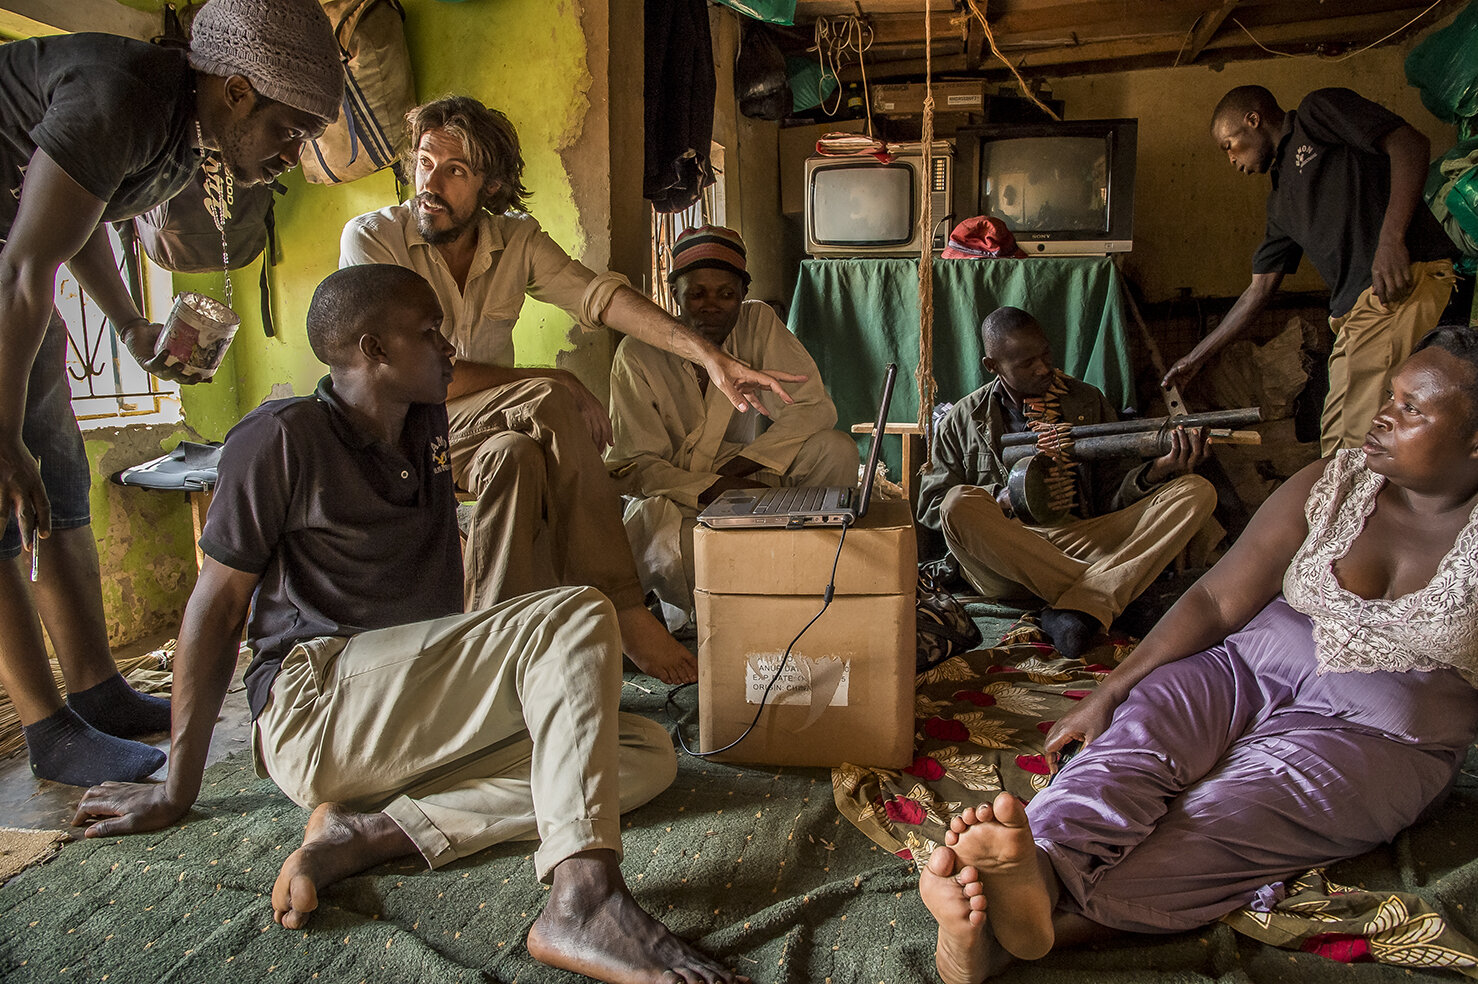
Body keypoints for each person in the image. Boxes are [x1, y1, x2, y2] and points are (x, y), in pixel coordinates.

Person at [73, 266, 747, 984]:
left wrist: (559, 398)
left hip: (401, 716)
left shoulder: (423, 427)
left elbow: (519, 421)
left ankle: (367, 833)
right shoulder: (280, 438)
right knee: (577, 611)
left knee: (640, 753)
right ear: (373, 351)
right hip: (319, 707)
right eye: (428, 333)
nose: (449, 346)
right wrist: (179, 783)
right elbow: (214, 611)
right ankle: (583, 899)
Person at [920, 326, 1478, 984]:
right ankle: (1037, 863)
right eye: (1389, 395)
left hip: (1374, 733)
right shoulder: (1332, 482)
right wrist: (1112, 690)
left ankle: (1006, 935)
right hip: (1247, 667)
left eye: (1412, 407)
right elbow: (1215, 604)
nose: (1383, 414)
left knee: (1227, 812)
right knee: (1142, 732)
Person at [340, 96, 805, 685]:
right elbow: (413, 375)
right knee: (553, 399)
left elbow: (602, 298)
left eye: (455, 170)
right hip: (396, 433)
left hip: (477, 435)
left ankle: (489, 654)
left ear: (490, 185)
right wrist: (547, 379)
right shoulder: (373, 240)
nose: (431, 182)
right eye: (425, 161)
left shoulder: (515, 241)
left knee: (517, 456)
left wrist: (710, 356)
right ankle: (625, 607)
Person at [0, 0, 344, 786]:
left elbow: (72, 214)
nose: (292, 154)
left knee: (54, 481)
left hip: (10, 269)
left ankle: (96, 691)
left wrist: (128, 328)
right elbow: (25, 269)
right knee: (5, 487)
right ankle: (48, 729)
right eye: (290, 128)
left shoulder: (181, 144)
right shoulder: (122, 95)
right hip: (7, 273)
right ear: (236, 91)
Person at [1164, 84, 1458, 455]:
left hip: (1397, 289)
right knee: (1334, 442)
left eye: (1229, 145)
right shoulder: (1280, 202)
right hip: (1353, 318)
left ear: (1252, 120)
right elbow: (1259, 290)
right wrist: (1195, 358)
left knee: (1358, 442)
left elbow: (1410, 143)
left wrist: (1391, 240)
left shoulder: (1316, 114)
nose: (1232, 161)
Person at [916, 307, 1217, 658]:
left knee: (1195, 491)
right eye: (1027, 364)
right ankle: (1108, 593)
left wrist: (1161, 469)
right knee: (958, 503)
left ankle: (1079, 604)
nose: (1043, 368)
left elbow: (1112, 495)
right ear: (992, 365)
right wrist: (1001, 498)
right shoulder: (962, 419)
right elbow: (931, 503)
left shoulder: (1086, 400)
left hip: (1083, 537)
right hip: (1008, 556)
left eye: (1046, 354)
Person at [605, 225, 858, 628]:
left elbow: (812, 407)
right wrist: (711, 488)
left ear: (742, 296)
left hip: (747, 470)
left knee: (835, 448)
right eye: (697, 293)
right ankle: (726, 624)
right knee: (684, 540)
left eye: (726, 294)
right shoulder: (637, 354)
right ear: (674, 295)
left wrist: (742, 470)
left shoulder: (756, 324)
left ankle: (815, 578)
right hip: (674, 493)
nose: (711, 306)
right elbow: (636, 465)